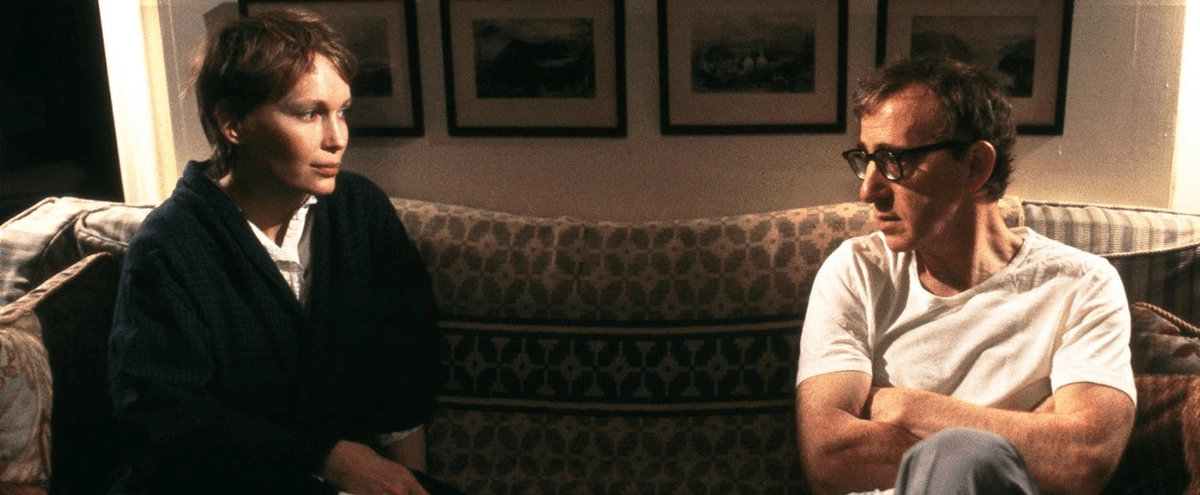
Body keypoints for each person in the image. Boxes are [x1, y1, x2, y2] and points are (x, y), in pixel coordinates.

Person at [108, 9, 456, 495]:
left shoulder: (360, 211)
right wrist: (326, 456)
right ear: (232, 124)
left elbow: (403, 373)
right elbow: (164, 422)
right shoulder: (170, 246)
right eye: (309, 114)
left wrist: (410, 484)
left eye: (342, 111)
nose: (337, 138)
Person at [794, 57, 1137, 495]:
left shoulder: (1082, 285)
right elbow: (828, 459)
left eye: (894, 160)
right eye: (867, 159)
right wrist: (1026, 437)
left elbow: (1082, 460)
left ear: (975, 166)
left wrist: (903, 406)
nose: (868, 190)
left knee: (963, 456)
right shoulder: (856, 272)